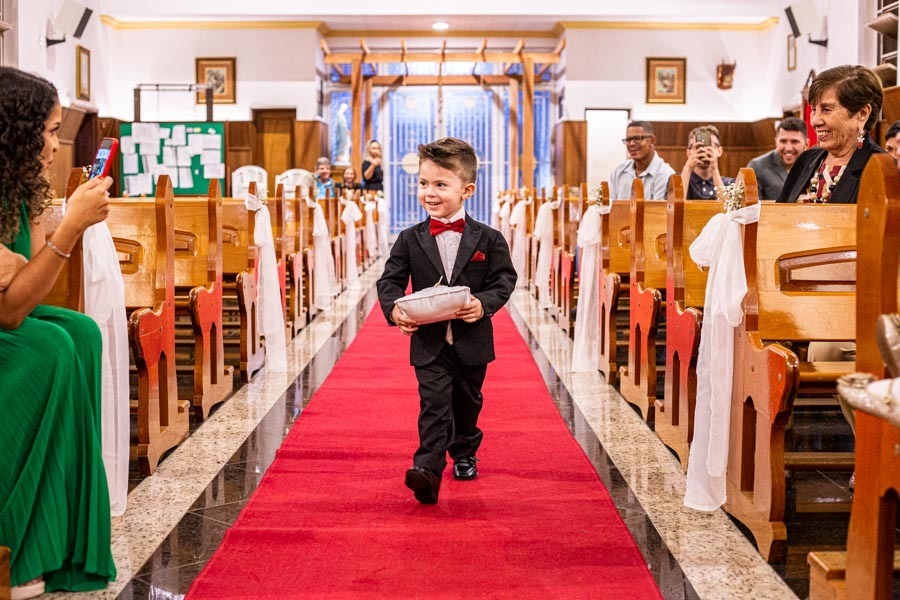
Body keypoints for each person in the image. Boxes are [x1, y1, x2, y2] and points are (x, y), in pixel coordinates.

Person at [0, 66, 116, 598]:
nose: (55, 144)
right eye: (48, 132)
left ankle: (64, 544)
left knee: (82, 332)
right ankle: (17, 546)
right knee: (49, 345)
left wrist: (57, 224)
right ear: (17, 132)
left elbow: (23, 288)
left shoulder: (22, 188)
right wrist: (70, 227)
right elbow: (11, 311)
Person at [376, 138, 516, 504]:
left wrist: (483, 304)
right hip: (429, 339)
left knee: (467, 402)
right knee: (433, 403)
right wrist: (394, 310)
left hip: (472, 338)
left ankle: (465, 451)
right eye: (424, 183)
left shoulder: (489, 238)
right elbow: (389, 281)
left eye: (441, 184)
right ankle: (427, 469)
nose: (429, 192)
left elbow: (504, 279)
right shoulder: (410, 238)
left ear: (467, 190)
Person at [778, 65, 884, 204]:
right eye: (814, 109)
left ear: (862, 114)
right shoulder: (805, 160)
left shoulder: (882, 169)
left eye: (827, 109)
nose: (815, 121)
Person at [609, 120, 675, 200]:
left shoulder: (665, 174)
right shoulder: (619, 171)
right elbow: (609, 205)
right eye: (628, 140)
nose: (631, 144)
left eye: (637, 138)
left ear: (652, 140)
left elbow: (657, 207)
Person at [746, 117, 808, 200]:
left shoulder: (815, 165)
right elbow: (751, 205)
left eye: (794, 141)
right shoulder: (757, 166)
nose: (788, 148)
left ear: (806, 144)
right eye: (783, 141)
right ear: (776, 142)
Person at [680, 124, 734, 199]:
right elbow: (675, 204)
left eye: (710, 145)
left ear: (719, 151)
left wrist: (714, 170)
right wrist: (688, 168)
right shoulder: (678, 180)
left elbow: (727, 205)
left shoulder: (730, 184)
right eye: (697, 146)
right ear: (688, 153)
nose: (703, 149)